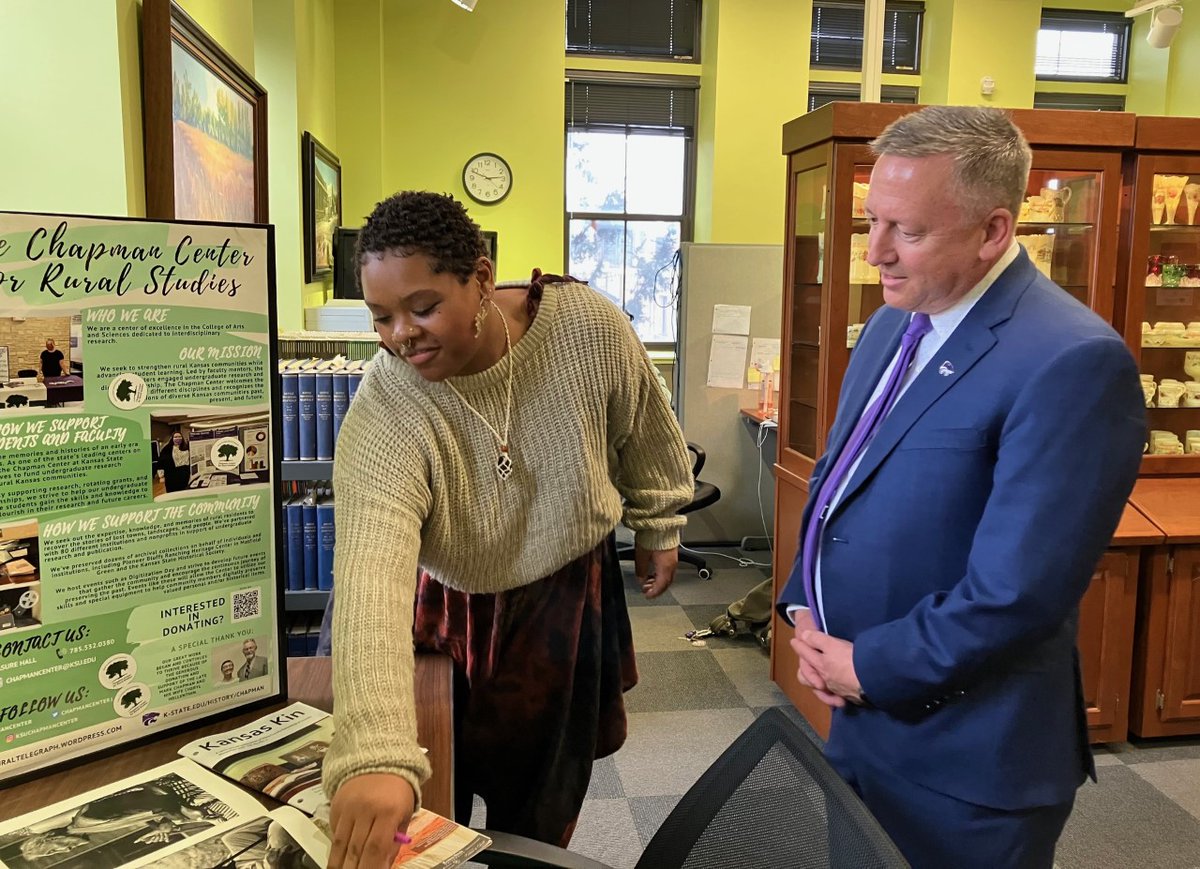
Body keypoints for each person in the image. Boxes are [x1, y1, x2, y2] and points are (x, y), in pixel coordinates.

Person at [776, 105, 1145, 869]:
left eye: (906, 231)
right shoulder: (892, 323)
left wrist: (866, 665)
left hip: (968, 761)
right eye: (872, 221)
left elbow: (1017, 593)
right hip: (861, 721)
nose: (875, 252)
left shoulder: (1071, 361)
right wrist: (806, 606)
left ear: (993, 231)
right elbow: (842, 484)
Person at [321, 191, 692, 869]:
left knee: (542, 807)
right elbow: (370, 580)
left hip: (564, 597)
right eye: (381, 316)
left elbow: (643, 424)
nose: (401, 335)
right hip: (448, 608)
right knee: (436, 807)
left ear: (483, 278)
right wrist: (373, 753)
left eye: (423, 307)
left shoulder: (586, 326)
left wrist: (658, 522)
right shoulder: (388, 404)